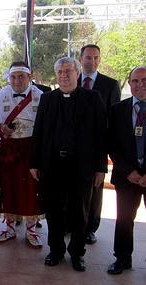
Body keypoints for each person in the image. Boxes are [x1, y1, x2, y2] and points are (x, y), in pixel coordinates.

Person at [30, 57, 107, 272]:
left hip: (81, 166)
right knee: (53, 210)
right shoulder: (47, 99)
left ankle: (77, 253)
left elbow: (101, 135)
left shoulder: (93, 98)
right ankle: (55, 250)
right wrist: (35, 162)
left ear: (77, 73)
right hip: (52, 165)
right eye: (60, 72)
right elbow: (39, 133)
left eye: (68, 71)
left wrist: (101, 167)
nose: (64, 75)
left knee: (79, 211)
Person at [0, 62, 44, 249]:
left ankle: (31, 230)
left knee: (31, 189)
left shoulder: (40, 97)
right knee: (8, 187)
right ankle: (9, 227)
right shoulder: (0, 96)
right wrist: (1, 128)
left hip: (31, 148)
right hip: (9, 149)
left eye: (21, 76)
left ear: (30, 77)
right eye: (13, 77)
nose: (17, 80)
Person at [78, 44, 121, 245]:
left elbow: (113, 120)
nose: (92, 61)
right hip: (72, 147)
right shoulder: (70, 80)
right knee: (74, 188)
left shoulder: (110, 85)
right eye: (88, 58)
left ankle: (90, 228)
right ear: (81, 59)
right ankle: (73, 225)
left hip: (97, 147)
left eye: (96, 58)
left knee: (95, 190)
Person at [106, 66, 146, 275]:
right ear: (129, 84)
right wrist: (128, 171)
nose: (140, 84)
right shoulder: (117, 110)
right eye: (136, 81)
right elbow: (111, 144)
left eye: (144, 80)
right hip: (126, 176)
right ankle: (122, 258)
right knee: (123, 219)